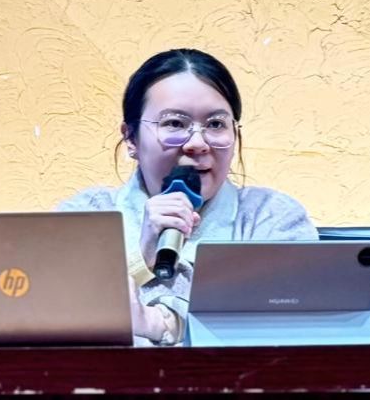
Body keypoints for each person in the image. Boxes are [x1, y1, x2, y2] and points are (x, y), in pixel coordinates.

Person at [59, 49, 318, 346]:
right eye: (174, 124)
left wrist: (167, 324)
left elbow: (292, 334)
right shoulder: (86, 217)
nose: (197, 143)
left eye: (216, 124)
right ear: (131, 138)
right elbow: (55, 325)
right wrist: (140, 260)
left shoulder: (271, 218)